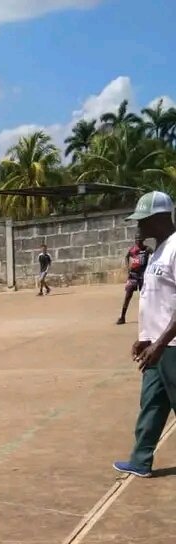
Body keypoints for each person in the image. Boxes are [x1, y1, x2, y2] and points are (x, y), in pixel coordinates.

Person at [113, 192, 176, 478]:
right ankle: (141, 460)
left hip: (172, 346)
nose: (138, 226)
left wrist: (161, 343)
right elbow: (155, 301)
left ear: (161, 218)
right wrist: (145, 337)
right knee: (151, 404)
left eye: (143, 220)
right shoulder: (157, 251)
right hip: (156, 346)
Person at [116, 235, 153, 325]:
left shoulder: (147, 249)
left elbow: (155, 255)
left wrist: (151, 266)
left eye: (140, 240)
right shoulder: (133, 249)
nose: (138, 241)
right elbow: (126, 257)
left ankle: (146, 317)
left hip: (143, 275)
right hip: (133, 275)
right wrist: (128, 267)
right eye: (136, 240)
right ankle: (122, 317)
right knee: (128, 295)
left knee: (143, 297)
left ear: (143, 240)